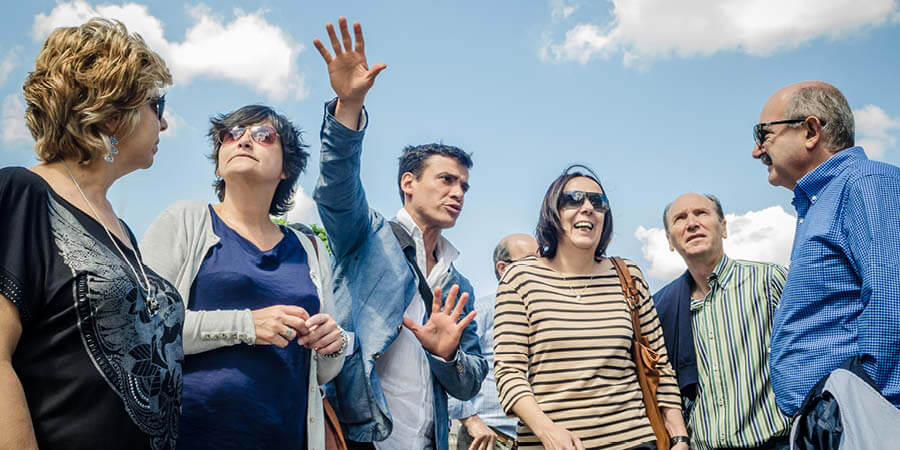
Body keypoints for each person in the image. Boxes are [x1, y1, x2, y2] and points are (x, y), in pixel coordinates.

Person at [0, 19, 181, 450]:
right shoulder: (20, 193)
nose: (165, 124)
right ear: (113, 107)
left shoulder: (123, 231)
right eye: (158, 104)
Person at [311, 17, 489, 450]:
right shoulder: (366, 236)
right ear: (408, 182)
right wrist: (348, 106)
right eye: (446, 180)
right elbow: (336, 189)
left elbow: (469, 383)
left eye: (463, 185)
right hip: (362, 438)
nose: (457, 192)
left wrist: (446, 355)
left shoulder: (457, 281)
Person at [140, 105, 346, 450]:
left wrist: (332, 344)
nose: (244, 141)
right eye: (231, 134)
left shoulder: (310, 249)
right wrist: (247, 325)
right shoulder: (185, 220)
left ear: (287, 168)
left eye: (264, 136)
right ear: (219, 161)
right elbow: (142, 328)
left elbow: (323, 371)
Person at [493, 165, 688, 450]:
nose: (588, 208)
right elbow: (509, 372)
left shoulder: (628, 276)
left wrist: (679, 437)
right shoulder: (520, 278)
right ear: (552, 211)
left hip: (633, 442)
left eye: (598, 202)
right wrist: (547, 431)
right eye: (573, 199)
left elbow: (660, 367)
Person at [751, 81, 900, 416]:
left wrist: (865, 410)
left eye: (762, 135)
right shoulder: (818, 204)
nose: (757, 151)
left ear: (810, 130)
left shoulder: (866, 183)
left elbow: (891, 301)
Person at [654, 193, 790, 449]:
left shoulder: (768, 281)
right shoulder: (660, 308)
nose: (691, 223)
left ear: (724, 227)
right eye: (680, 219)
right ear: (670, 241)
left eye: (701, 213)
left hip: (775, 443)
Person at [449, 234, 538, 450]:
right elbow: (448, 367)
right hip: (488, 441)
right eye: (531, 262)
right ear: (503, 268)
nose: (541, 269)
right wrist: (470, 419)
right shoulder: (482, 312)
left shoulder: (546, 317)